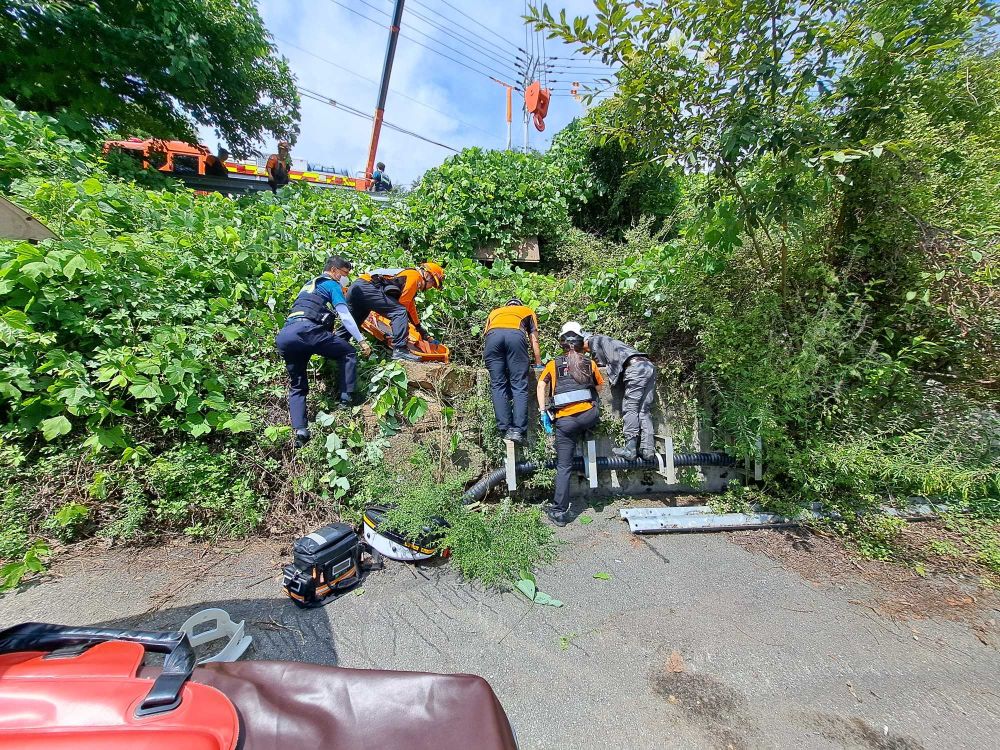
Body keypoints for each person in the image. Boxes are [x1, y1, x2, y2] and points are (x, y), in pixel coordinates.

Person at [276, 255, 371, 448]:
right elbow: (344, 314)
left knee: (297, 386)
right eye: (345, 274)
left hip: (285, 336)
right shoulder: (330, 284)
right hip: (307, 332)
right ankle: (347, 399)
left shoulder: (308, 286)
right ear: (334, 270)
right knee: (347, 353)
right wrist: (361, 340)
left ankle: (300, 431)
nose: (345, 278)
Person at [536, 321, 604, 527]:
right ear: (581, 342)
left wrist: (542, 412)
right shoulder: (589, 363)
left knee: (564, 466)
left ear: (562, 344)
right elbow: (599, 388)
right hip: (589, 416)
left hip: (565, 423)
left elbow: (541, 385)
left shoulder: (553, 365)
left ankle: (558, 512)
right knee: (590, 407)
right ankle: (588, 431)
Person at [343, 262, 444, 362]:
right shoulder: (415, 277)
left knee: (351, 325)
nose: (431, 287)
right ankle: (400, 349)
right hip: (367, 287)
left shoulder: (411, 276)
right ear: (427, 275)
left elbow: (410, 306)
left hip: (357, 288)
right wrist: (403, 331)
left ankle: (334, 347)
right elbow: (402, 308)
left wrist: (418, 327)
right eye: (433, 283)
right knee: (399, 311)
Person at [583, 332, 656, 460]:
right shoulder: (607, 340)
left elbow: (599, 364)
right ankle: (647, 449)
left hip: (635, 368)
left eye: (583, 347)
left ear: (585, 340)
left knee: (630, 407)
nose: (585, 350)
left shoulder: (594, 341)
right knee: (644, 409)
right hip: (648, 365)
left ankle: (630, 448)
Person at [484, 298, 541, 443]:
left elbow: (488, 335)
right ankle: (518, 430)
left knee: (497, 384)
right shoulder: (527, 310)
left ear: (507, 305)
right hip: (515, 337)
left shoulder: (495, 312)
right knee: (519, 385)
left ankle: (505, 428)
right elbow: (534, 340)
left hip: (493, 338)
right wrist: (538, 362)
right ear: (519, 305)